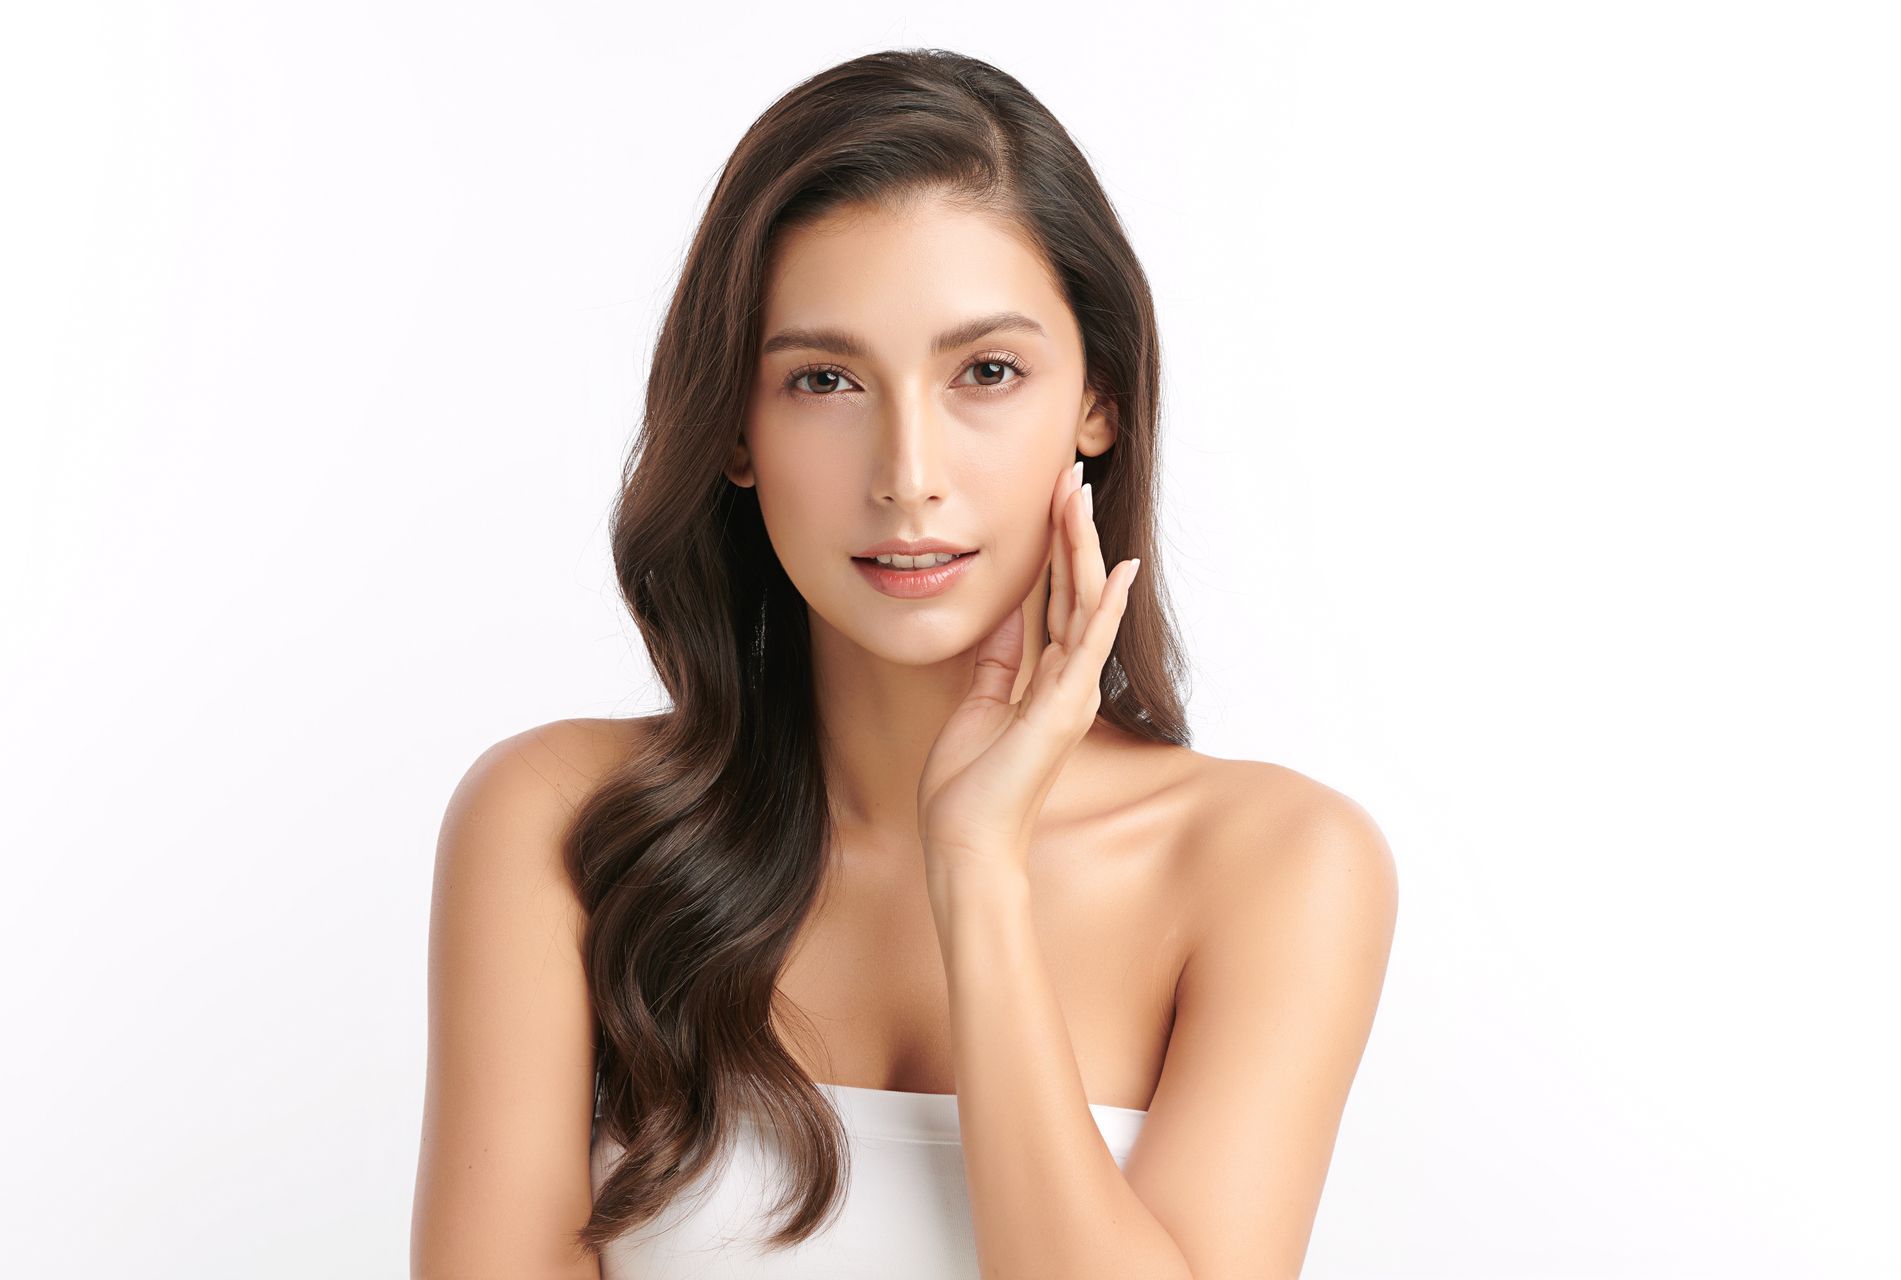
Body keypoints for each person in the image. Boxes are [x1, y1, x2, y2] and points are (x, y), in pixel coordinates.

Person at [411, 47, 1398, 1280]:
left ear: (1098, 398)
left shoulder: (1275, 865)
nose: (907, 470)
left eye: (985, 371)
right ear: (734, 429)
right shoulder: (561, 826)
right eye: (825, 379)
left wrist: (975, 871)